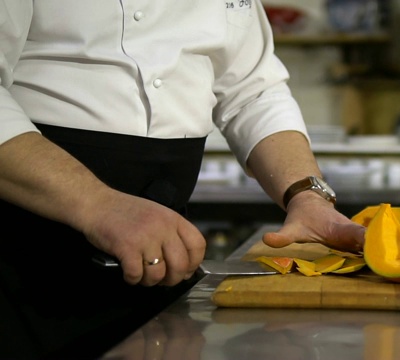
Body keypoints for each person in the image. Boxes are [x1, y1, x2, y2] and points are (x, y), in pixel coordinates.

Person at [0, 1, 365, 358]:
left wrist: (307, 195)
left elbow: (252, 90)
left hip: (163, 267)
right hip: (25, 253)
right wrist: (98, 203)